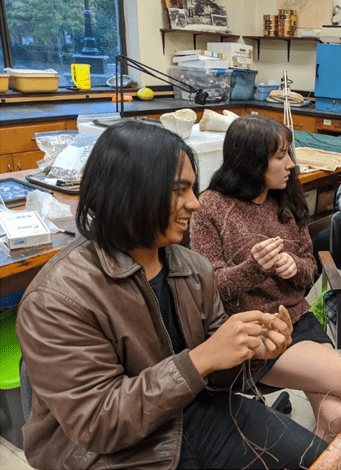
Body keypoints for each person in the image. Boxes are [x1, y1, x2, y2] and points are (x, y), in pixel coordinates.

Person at [16, 120, 328, 470]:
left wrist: (250, 353)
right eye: (180, 191)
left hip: (195, 413)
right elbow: (99, 423)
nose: (195, 204)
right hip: (107, 451)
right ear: (128, 193)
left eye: (193, 190)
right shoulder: (57, 298)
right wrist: (202, 358)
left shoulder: (192, 268)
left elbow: (216, 378)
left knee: (320, 461)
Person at [191, 114, 341, 445]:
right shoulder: (210, 207)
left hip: (298, 319)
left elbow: (307, 269)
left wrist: (295, 267)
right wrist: (253, 268)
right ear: (252, 162)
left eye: (289, 153)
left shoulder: (285, 199)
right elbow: (206, 287)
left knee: (334, 418)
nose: (291, 164)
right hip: (254, 332)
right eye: (280, 156)